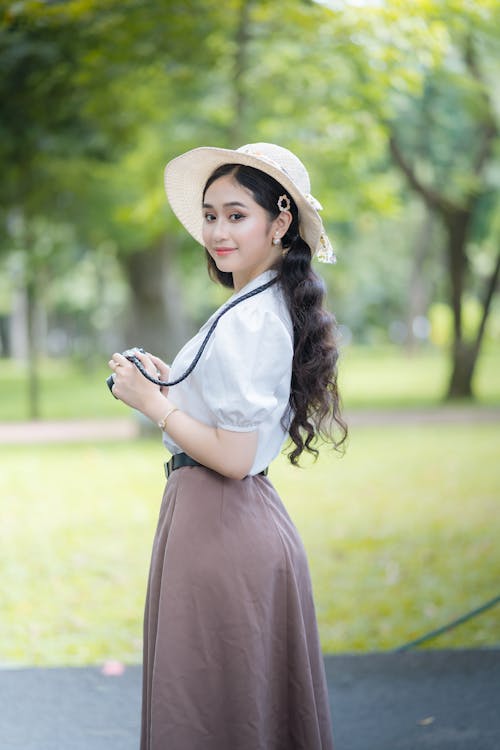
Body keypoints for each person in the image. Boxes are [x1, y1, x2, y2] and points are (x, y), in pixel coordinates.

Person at [108, 142, 347, 750]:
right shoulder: (253, 305)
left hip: (221, 524)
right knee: (228, 714)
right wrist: (173, 386)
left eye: (236, 215)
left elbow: (236, 458)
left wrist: (152, 402)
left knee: (215, 718)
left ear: (281, 221)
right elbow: (231, 417)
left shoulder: (251, 318)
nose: (217, 230)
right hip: (222, 524)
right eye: (211, 215)